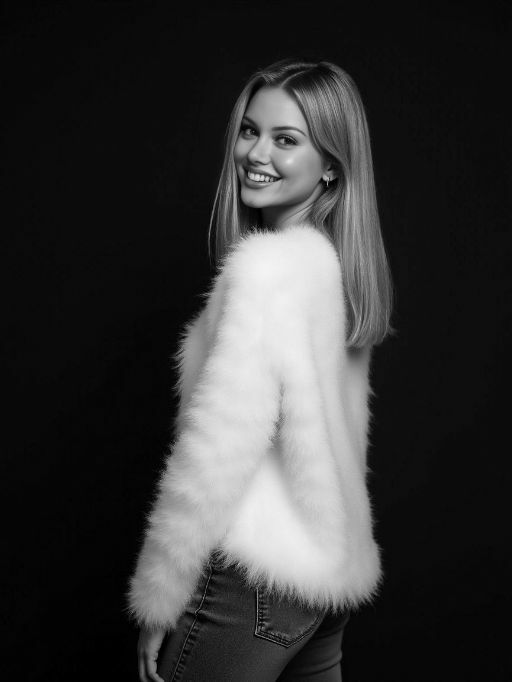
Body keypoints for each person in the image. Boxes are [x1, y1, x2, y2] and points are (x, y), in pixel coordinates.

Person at [127, 58, 395, 682]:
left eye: (286, 139)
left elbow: (220, 446)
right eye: (250, 130)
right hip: (324, 581)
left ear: (331, 165)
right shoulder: (335, 266)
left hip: (253, 580)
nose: (256, 153)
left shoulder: (267, 270)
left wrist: (160, 591)